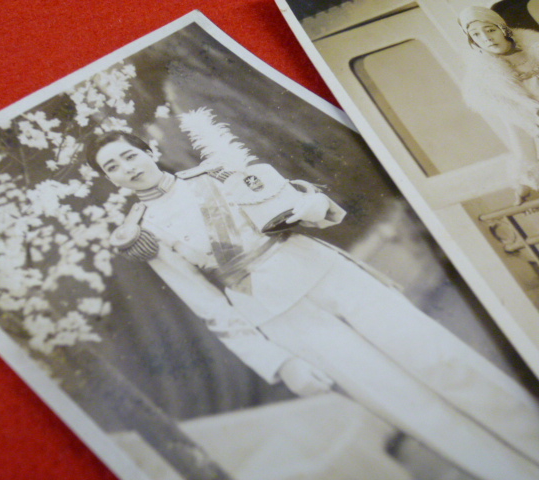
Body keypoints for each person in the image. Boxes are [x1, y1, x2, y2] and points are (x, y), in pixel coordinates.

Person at [87, 130, 539, 480]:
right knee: (406, 402)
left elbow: (305, 206)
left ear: (148, 150)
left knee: (442, 360)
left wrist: (304, 206)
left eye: (128, 155)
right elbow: (209, 307)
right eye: (113, 167)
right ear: (111, 180)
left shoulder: (217, 173)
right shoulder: (143, 234)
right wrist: (279, 363)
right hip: (280, 316)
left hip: (327, 274)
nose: (126, 168)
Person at [460, 6, 539, 204]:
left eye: (490, 30)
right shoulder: (494, 86)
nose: (486, 38)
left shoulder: (535, 49)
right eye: (476, 35)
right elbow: (520, 136)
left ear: (503, 29)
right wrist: (524, 184)